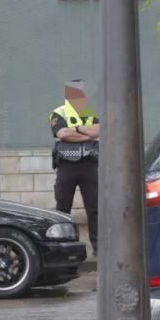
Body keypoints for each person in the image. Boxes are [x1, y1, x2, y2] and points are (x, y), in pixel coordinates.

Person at [49, 80, 99, 254]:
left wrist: (76, 128)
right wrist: (85, 134)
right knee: (63, 208)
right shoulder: (58, 113)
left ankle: (98, 248)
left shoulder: (89, 113)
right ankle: (63, 246)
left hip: (89, 164)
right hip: (67, 166)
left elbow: (97, 131)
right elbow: (63, 133)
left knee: (95, 209)